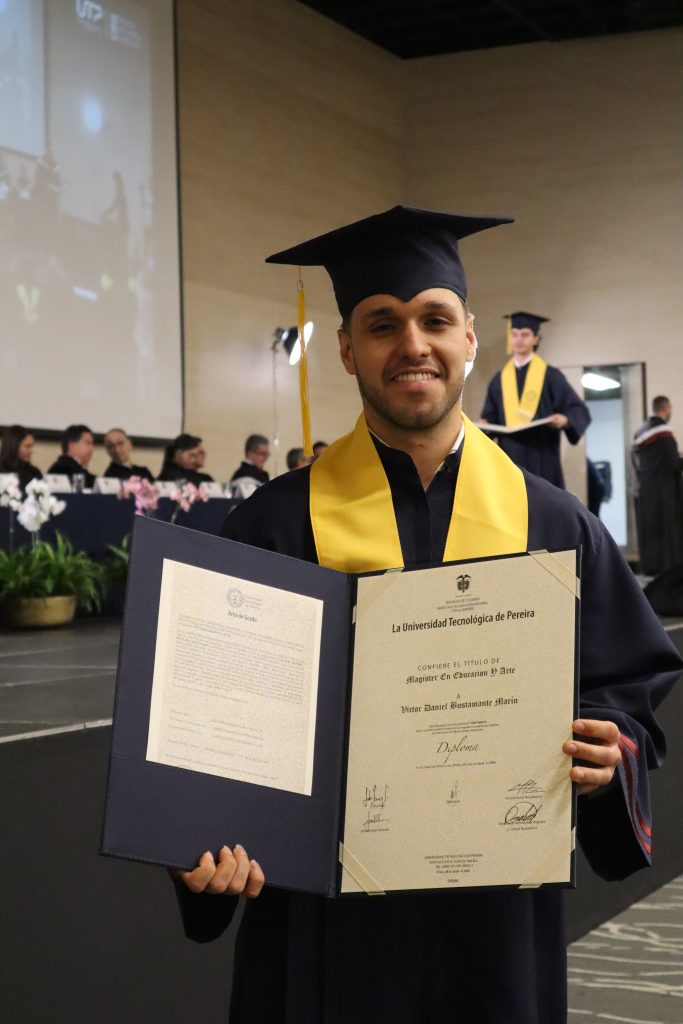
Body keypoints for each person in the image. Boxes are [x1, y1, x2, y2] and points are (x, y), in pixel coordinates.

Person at [174, 206, 681, 1024]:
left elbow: (626, 686)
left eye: (434, 320)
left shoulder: (554, 524)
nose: (412, 344)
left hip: (495, 916)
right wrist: (201, 839)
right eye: (382, 324)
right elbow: (209, 725)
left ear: (469, 338)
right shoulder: (271, 526)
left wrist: (605, 744)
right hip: (322, 923)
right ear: (348, 349)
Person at [480, 312, 591, 488]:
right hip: (509, 458)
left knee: (544, 500)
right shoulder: (499, 380)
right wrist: (485, 424)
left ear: (536, 339)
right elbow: (490, 417)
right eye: (514, 334)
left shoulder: (551, 376)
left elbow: (578, 410)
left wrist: (565, 420)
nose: (519, 340)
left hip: (542, 456)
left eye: (525, 335)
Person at [632, 395, 683, 576]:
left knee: (648, 531)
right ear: (666, 408)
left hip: (644, 491)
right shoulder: (664, 433)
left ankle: (649, 569)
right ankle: (667, 572)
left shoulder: (640, 432)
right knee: (665, 533)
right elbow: (673, 463)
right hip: (663, 493)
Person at [48, 424, 96, 489]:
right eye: (88, 443)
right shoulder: (62, 469)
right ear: (71, 445)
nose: (92, 449)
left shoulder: (77, 468)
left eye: (92, 444)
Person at [0, 425, 43, 489]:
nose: (31, 451)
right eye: (27, 446)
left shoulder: (34, 472)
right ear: (13, 446)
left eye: (32, 446)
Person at [229, 434, 270, 501]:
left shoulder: (261, 474)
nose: (266, 458)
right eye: (262, 454)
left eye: (267, 454)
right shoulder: (244, 477)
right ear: (250, 454)